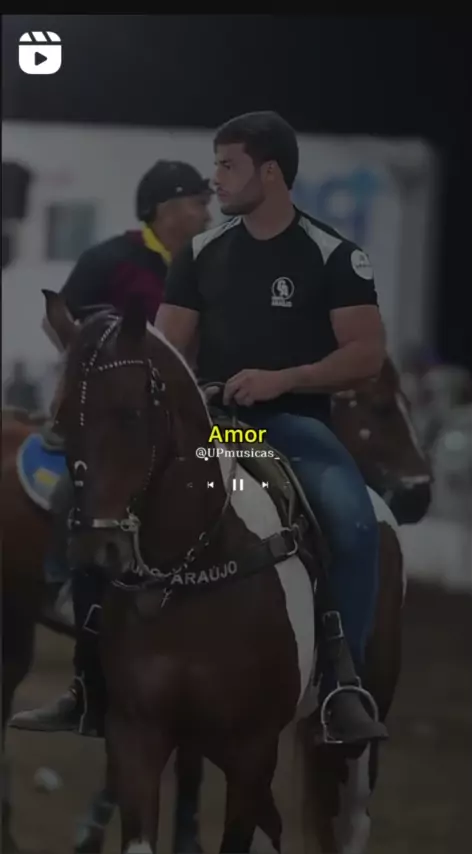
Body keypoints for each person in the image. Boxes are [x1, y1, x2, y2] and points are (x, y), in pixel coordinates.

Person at [156, 111, 388, 746]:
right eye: (216, 163)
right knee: (113, 505)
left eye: (228, 165)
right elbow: (166, 354)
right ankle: (93, 674)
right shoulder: (198, 254)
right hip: (216, 432)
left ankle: (342, 681)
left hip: (290, 429)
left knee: (355, 525)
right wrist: (190, 395)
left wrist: (283, 379)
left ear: (270, 172)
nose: (216, 178)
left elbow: (367, 355)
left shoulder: (334, 255)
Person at [10, 160, 212, 735]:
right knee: (88, 482)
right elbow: (59, 322)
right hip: (111, 419)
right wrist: (94, 379)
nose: (207, 213)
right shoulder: (111, 258)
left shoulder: (209, 265)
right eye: (198, 203)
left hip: (195, 419)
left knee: (251, 458)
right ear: (165, 209)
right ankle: (67, 588)